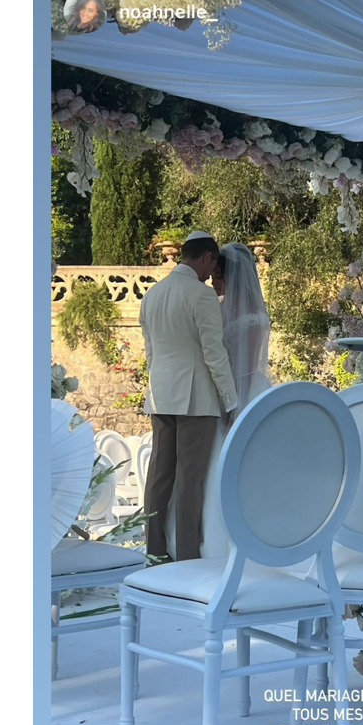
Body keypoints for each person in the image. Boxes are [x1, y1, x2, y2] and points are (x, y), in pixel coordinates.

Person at [166, 243, 271, 559]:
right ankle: (194, 539)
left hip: (244, 396)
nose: (214, 283)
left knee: (232, 470)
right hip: (213, 396)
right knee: (202, 468)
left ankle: (229, 543)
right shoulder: (217, 307)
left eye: (218, 278)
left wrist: (234, 406)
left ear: (233, 277)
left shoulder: (254, 317)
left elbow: (248, 368)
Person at [140, 232, 238, 561]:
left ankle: (153, 550)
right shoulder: (201, 295)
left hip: (160, 395)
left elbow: (150, 354)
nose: (212, 275)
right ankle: (185, 556)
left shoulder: (151, 294)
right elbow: (214, 354)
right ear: (208, 257)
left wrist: (157, 388)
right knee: (189, 480)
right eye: (212, 266)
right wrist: (230, 399)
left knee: (159, 475)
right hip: (196, 398)